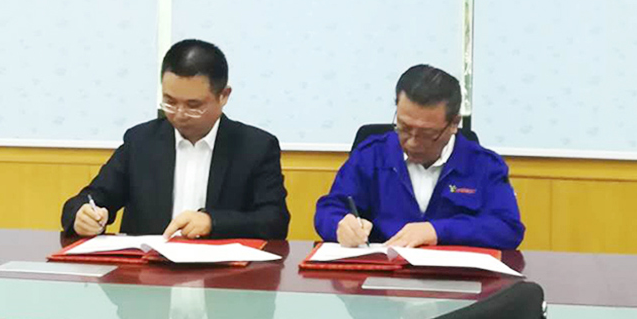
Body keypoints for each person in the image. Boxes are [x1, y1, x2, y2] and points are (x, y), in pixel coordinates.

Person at [61, 39, 289, 239]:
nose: (179, 114)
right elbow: (93, 197)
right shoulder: (140, 141)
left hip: (221, 270)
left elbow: (274, 221)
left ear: (224, 96)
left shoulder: (255, 147)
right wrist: (82, 215)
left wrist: (213, 222)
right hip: (147, 270)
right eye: (169, 102)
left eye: (193, 105)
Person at [314, 64, 524, 250]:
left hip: (455, 277)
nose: (412, 142)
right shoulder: (371, 155)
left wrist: (436, 231)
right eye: (404, 128)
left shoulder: (484, 164)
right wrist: (340, 225)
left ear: (453, 124)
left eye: (427, 134)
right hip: (383, 274)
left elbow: (508, 228)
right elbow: (328, 210)